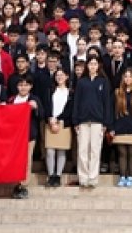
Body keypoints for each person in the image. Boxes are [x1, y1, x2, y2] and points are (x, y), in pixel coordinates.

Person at [72, 54, 113, 189]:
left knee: (95, 150)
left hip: (98, 121)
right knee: (82, 150)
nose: (93, 66)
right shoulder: (81, 82)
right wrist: (76, 121)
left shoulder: (103, 82)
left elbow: (107, 103)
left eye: (95, 64)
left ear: (98, 66)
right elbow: (76, 102)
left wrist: (106, 123)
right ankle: (83, 177)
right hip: (83, 121)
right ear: (87, 66)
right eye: (90, 64)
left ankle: (93, 177)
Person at [8, 76, 41, 198]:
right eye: (21, 85)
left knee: (26, 160)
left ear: (30, 86)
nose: (23, 87)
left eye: (26, 85)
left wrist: (36, 108)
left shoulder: (34, 99)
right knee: (14, 160)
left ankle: (23, 185)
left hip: (28, 135)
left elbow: (42, 115)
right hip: (13, 136)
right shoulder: (11, 99)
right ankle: (14, 184)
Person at [44, 69, 73, 187]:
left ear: (67, 77)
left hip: (63, 123)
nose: (59, 77)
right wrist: (50, 119)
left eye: (62, 75)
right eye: (57, 75)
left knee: (61, 150)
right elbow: (46, 105)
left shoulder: (70, 92)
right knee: (50, 151)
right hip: (50, 122)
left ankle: (58, 175)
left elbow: (70, 109)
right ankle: (51, 175)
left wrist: (58, 119)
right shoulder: (50, 91)